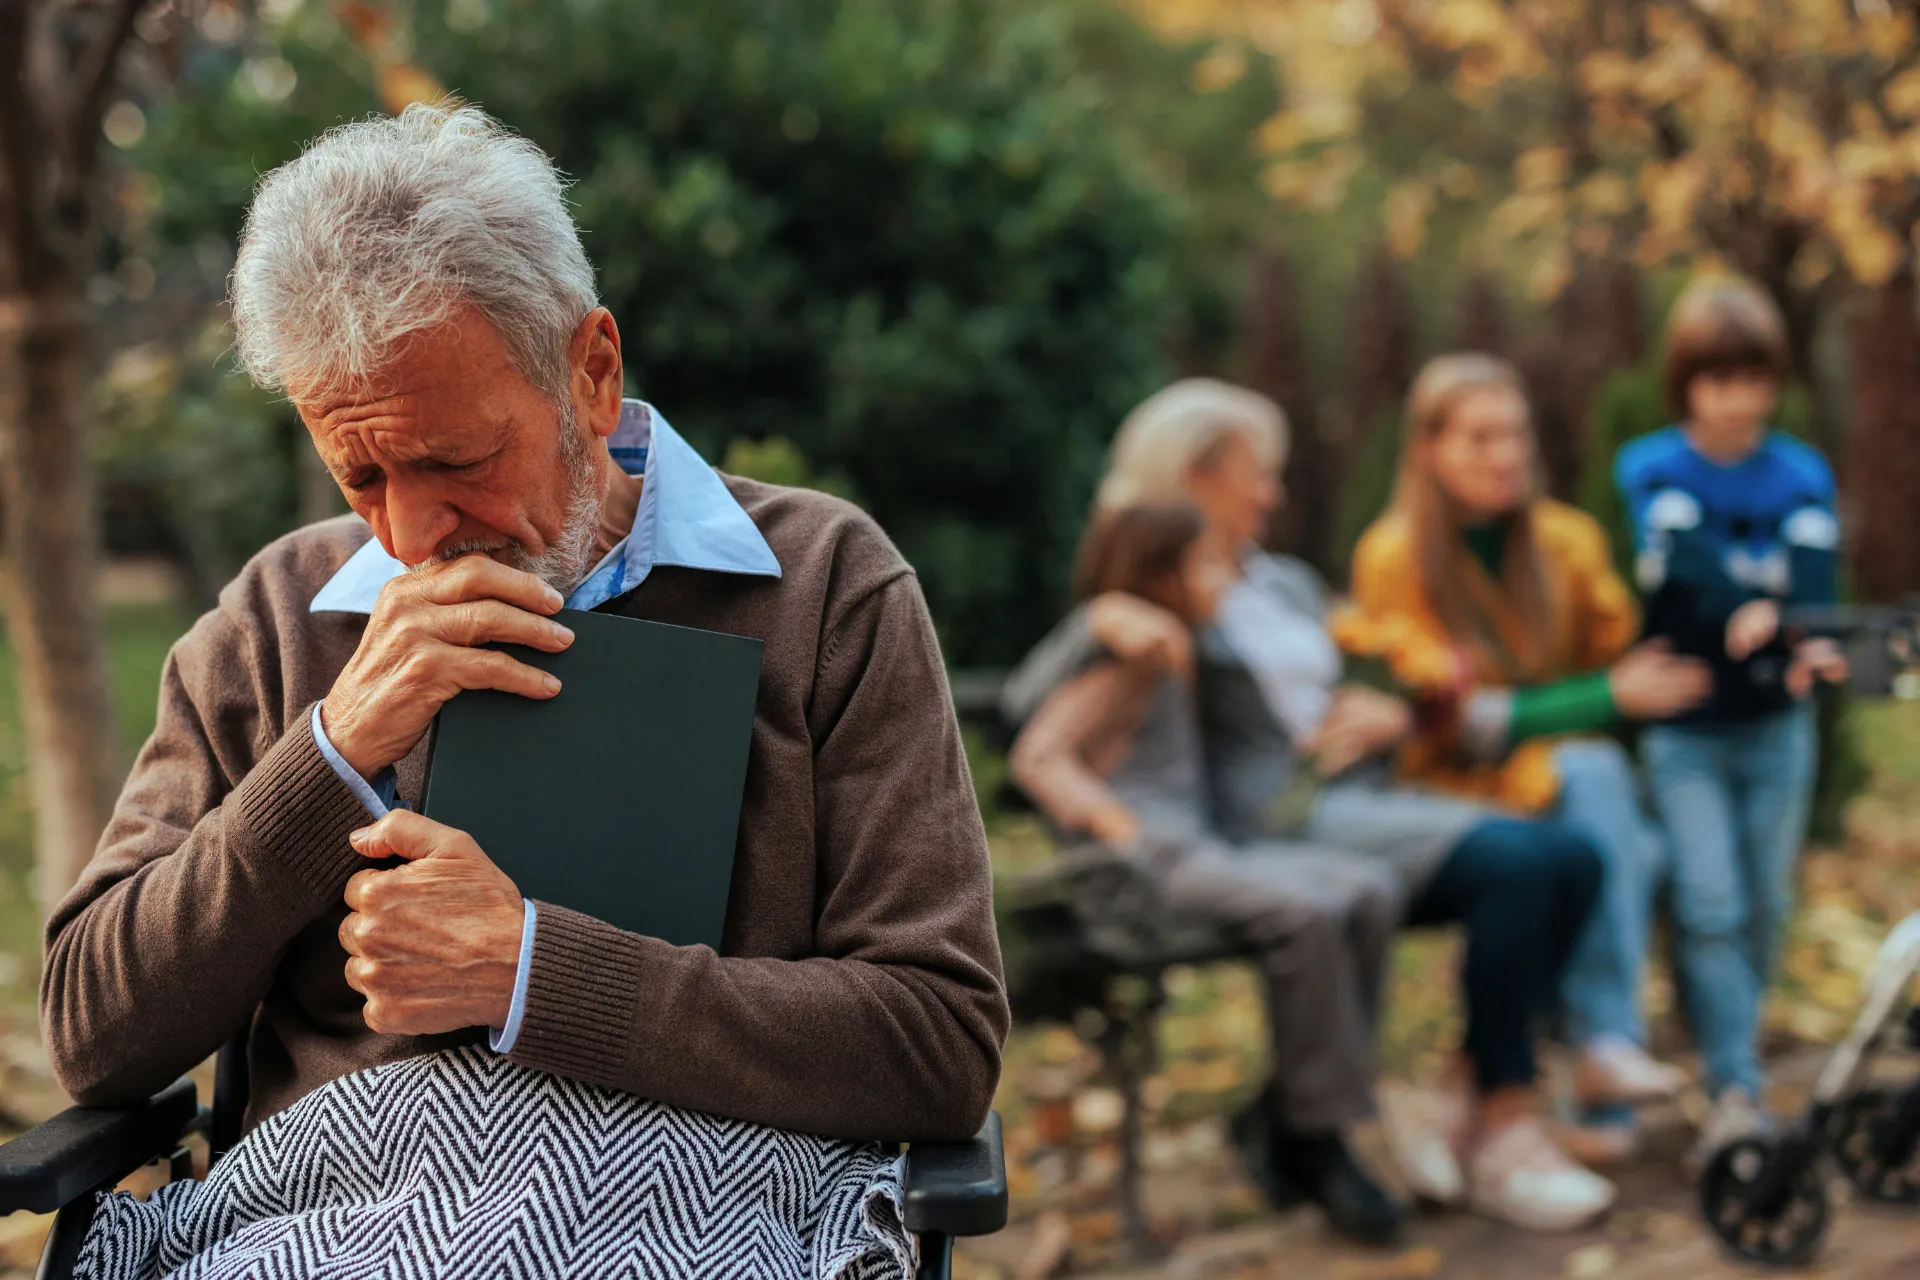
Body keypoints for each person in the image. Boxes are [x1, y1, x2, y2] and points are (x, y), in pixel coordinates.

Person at [40, 105, 1007, 1274]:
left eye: (454, 462)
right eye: (359, 474)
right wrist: (332, 751)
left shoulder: (827, 584)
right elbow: (95, 1032)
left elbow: (939, 1042)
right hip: (331, 1212)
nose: (408, 531)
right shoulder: (273, 619)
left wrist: (539, 972)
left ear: (589, 369)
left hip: (716, 1202)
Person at [1005, 380, 1614, 1232]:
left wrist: (1392, 713)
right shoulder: (1164, 598)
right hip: (1264, 820)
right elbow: (1043, 715)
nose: (1274, 493)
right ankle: (1398, 1120)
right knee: (1520, 866)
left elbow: (1369, 658)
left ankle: (1430, 1102)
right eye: (1259, 474)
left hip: (1351, 795)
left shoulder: (1282, 582)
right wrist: (1102, 620)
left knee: (1562, 856)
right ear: (1198, 476)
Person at [1012, 502, 1407, 1247]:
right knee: (1308, 912)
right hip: (1152, 857)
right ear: (1163, 577)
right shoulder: (1138, 653)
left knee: (1371, 887)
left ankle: (1290, 1104)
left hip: (1201, 844)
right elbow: (1040, 753)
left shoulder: (1176, 643)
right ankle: (1317, 1130)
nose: (1222, 576)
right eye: (1206, 564)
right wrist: (1116, 828)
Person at [1615, 276, 1848, 1164]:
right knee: (1708, 902)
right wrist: (1739, 614)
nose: (1737, 400)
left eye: (1753, 379)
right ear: (1687, 383)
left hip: (1773, 725)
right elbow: (1681, 557)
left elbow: (1814, 570)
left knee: (1764, 905)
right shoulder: (1652, 467)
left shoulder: (1798, 472)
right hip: (1689, 726)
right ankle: (1734, 1084)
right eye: (1718, 380)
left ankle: (1729, 1049)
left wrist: (1811, 639)